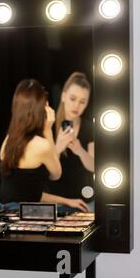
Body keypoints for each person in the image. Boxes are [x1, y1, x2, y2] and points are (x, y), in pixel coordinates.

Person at [0, 79, 84, 210]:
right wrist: (48, 129)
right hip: (22, 214)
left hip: (4, 209)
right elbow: (56, 174)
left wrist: (67, 201)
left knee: (70, 207)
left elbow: (28, 193)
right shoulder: (41, 145)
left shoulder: (9, 139)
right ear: (41, 108)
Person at [43, 72, 94, 213]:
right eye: (73, 98)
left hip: (83, 203)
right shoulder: (48, 124)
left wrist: (80, 150)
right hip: (54, 204)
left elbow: (95, 166)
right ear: (63, 96)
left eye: (82, 101)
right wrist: (57, 148)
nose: (76, 105)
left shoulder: (89, 128)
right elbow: (42, 172)